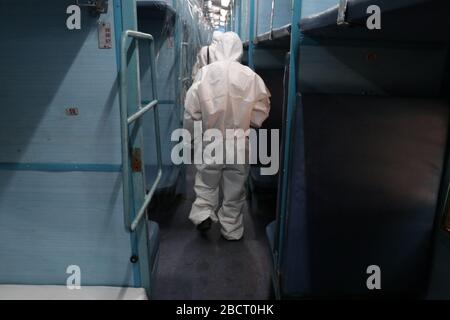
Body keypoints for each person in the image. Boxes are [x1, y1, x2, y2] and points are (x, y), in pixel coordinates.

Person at [184, 32, 271, 241]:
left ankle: (203, 213)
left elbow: (191, 110)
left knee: (206, 181)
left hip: (211, 139)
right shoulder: (250, 76)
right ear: (239, 49)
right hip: (240, 141)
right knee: (235, 188)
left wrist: (191, 136)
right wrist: (250, 122)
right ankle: (231, 229)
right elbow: (263, 106)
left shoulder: (205, 73)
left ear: (218, 47)